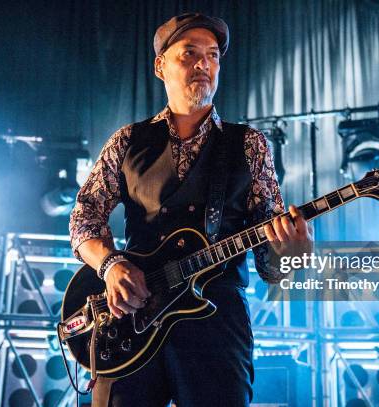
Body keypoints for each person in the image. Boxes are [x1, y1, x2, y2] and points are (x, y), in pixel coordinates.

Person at [69, 13, 312, 407]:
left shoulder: (249, 144)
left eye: (213, 55)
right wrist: (111, 266)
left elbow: (271, 265)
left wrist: (293, 254)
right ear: (160, 65)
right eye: (190, 54)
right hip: (133, 315)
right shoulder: (127, 140)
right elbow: (84, 219)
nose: (204, 64)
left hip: (215, 321)